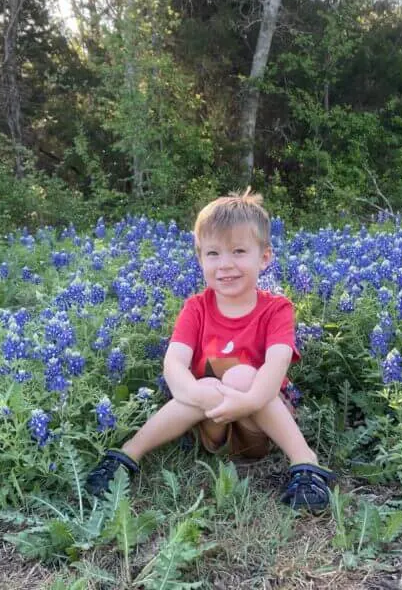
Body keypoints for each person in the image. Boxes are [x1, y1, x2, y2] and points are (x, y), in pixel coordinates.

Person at [85, 189, 335, 512]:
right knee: (197, 384)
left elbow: (277, 363)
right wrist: (195, 392)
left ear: (265, 257)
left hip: (258, 422)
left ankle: (305, 462)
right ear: (200, 257)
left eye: (239, 251)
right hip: (211, 422)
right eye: (213, 253)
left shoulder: (277, 309)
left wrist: (247, 399)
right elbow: (174, 362)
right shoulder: (196, 308)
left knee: (244, 375)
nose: (225, 264)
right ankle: (128, 454)